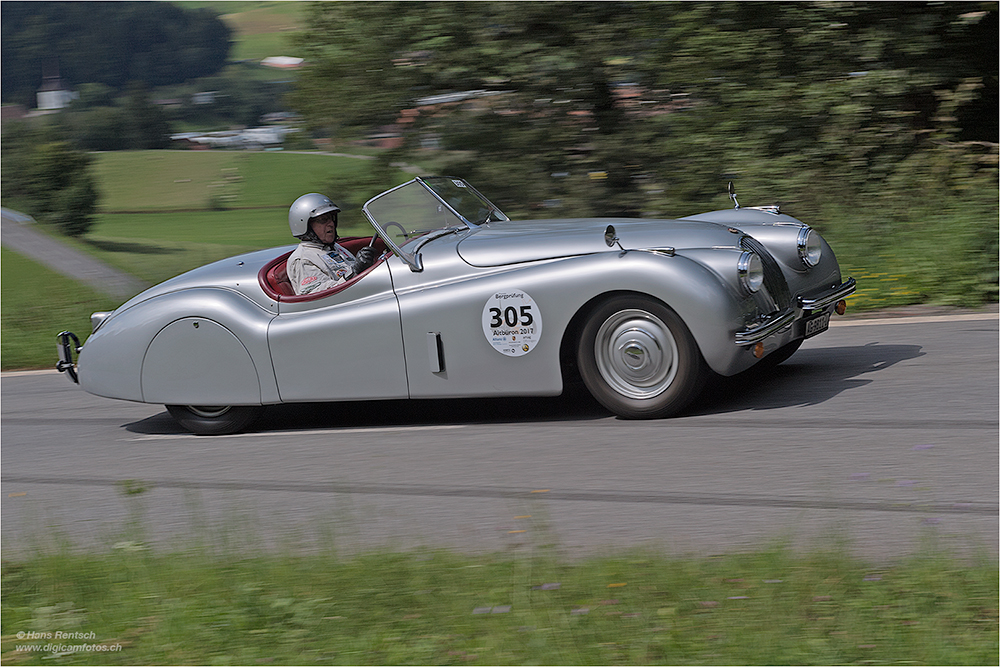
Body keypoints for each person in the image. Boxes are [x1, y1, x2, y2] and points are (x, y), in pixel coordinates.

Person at [286, 193, 377, 295]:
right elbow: (317, 296)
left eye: (331, 218)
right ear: (305, 225)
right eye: (323, 220)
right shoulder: (303, 259)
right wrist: (353, 272)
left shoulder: (335, 248)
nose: (331, 224)